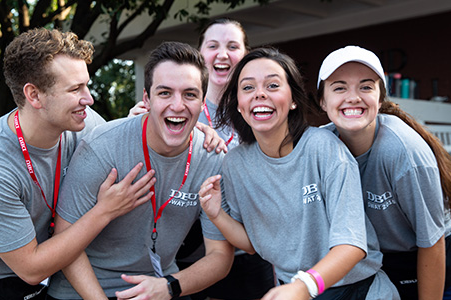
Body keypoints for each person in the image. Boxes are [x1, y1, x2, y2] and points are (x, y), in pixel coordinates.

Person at [0, 28, 158, 300]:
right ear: (34, 95)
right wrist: (104, 211)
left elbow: (122, 145)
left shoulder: (82, 123)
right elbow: (31, 268)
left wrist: (201, 133)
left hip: (48, 276)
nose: (89, 98)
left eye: (86, 84)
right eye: (75, 89)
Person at [199, 47, 400, 300]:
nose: (260, 94)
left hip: (357, 290)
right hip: (295, 291)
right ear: (238, 104)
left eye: (272, 85)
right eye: (248, 88)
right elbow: (253, 243)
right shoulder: (235, 164)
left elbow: (352, 245)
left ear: (293, 99)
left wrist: (304, 285)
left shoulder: (323, 148)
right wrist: (216, 215)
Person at [46, 41, 234, 300]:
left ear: (203, 103)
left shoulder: (213, 158)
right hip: (86, 291)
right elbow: (64, 240)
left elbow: (220, 257)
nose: (177, 105)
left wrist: (169, 286)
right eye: (165, 93)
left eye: (189, 94)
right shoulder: (103, 146)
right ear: (147, 98)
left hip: (161, 285)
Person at [129, 18, 275, 300]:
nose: (222, 54)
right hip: (192, 248)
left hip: (251, 246)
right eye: (213, 46)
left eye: (233, 46)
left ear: (245, 55)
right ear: (199, 54)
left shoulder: (259, 108)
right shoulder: (174, 109)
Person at [315, 45, 451, 299]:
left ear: (379, 99)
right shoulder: (319, 145)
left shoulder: (403, 152)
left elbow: (432, 243)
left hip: (429, 256)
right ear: (323, 101)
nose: (353, 97)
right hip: (374, 260)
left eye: (366, 87)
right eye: (339, 87)